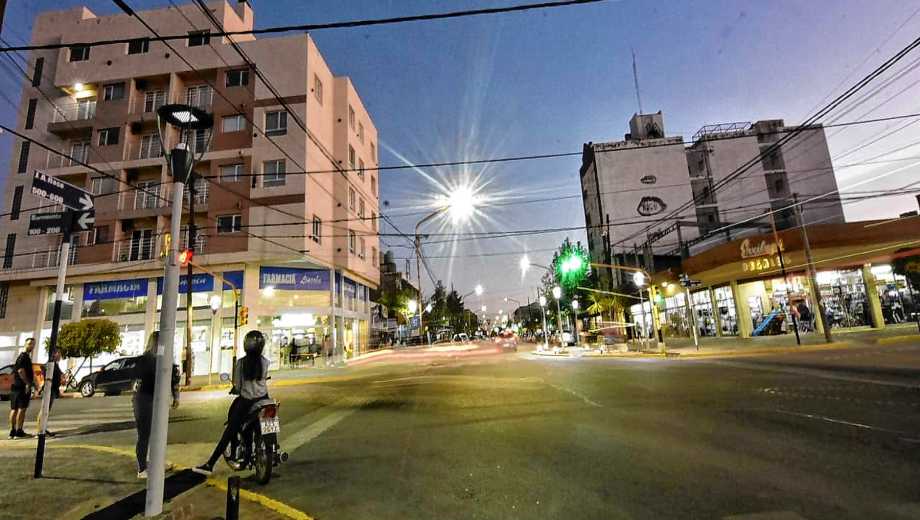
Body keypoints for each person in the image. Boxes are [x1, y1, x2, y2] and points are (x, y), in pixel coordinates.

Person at [193, 330, 270, 476]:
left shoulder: (241, 363)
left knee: (230, 430)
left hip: (247, 401)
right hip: (264, 399)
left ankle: (210, 464)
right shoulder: (265, 362)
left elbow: (239, 387)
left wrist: (235, 389)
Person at [132, 331, 180, 479]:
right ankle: (142, 468)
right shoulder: (146, 360)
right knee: (145, 434)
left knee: (157, 434)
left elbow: (172, 379)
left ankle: (157, 462)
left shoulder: (162, 359)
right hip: (145, 399)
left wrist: (175, 395)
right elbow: (138, 382)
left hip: (154, 399)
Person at [9, 338, 36, 439]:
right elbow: (20, 371)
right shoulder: (23, 357)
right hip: (21, 387)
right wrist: (27, 383)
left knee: (14, 409)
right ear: (25, 344)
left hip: (16, 386)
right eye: (29, 344)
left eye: (33, 344)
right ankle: (18, 432)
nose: (31, 346)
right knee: (21, 409)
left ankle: (12, 432)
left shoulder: (23, 357)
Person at [35, 349, 62, 437]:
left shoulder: (55, 364)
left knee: (46, 410)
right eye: (59, 353)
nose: (60, 356)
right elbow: (46, 377)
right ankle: (40, 431)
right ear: (55, 354)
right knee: (44, 410)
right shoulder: (50, 364)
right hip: (49, 390)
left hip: (52, 389)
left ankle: (43, 428)